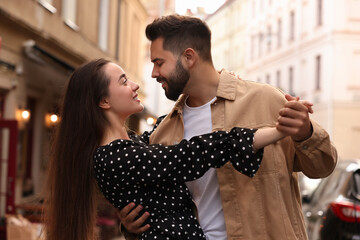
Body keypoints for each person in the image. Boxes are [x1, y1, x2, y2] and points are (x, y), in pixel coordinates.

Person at [118, 15, 338, 240]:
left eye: (159, 62)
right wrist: (131, 226)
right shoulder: (163, 131)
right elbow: (158, 209)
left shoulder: (266, 100)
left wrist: (306, 133)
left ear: (188, 57)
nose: (154, 73)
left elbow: (323, 166)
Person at [43, 58, 303, 240]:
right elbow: (189, 155)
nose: (134, 85)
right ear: (103, 101)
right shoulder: (115, 156)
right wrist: (278, 132)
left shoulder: (131, 146)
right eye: (123, 82)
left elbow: (169, 126)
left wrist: (214, 87)